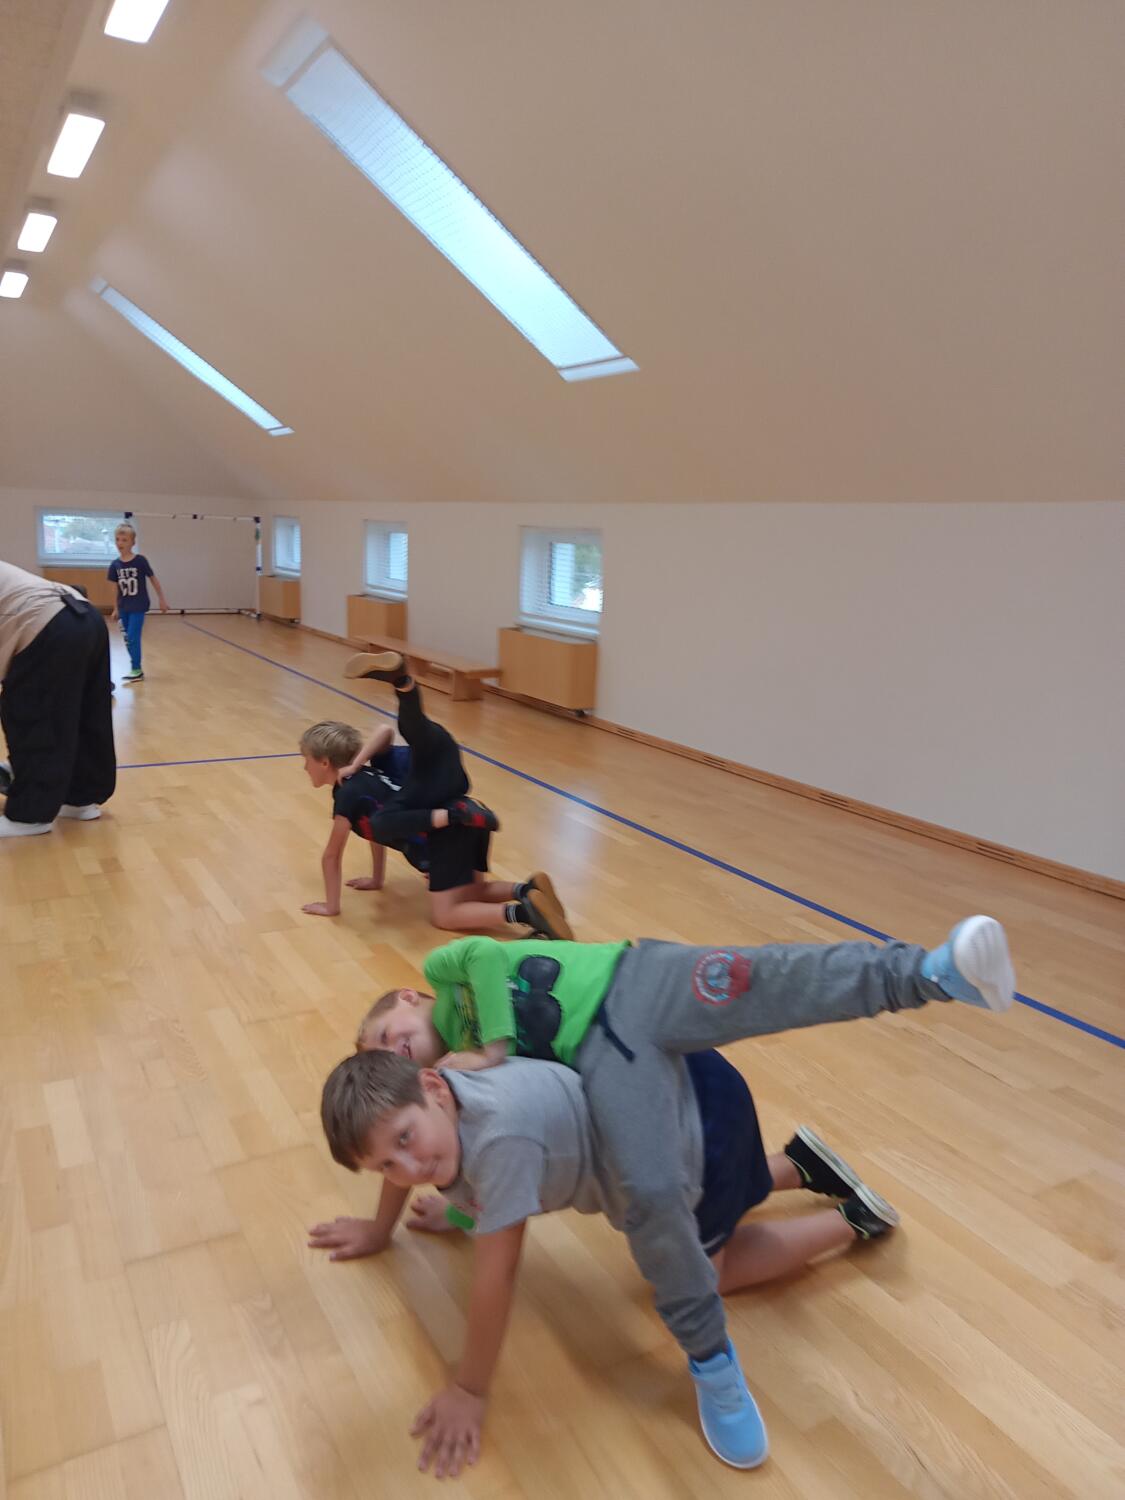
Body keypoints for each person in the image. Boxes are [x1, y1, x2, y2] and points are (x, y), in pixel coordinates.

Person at [353, 915, 1015, 1466]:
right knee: (651, 1197)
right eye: (383, 1056)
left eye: (386, 1037)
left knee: (768, 978)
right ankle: (713, 1365)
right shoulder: (455, 1081)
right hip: (614, 1059)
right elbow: (478, 1158)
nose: (395, 1052)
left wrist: (494, 1046)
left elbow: (483, 953)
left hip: (632, 976)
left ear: (407, 997)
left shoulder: (451, 988)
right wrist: (446, 1216)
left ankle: (932, 972)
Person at [314, 1049, 899, 1477]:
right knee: (715, 1193)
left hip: (690, 1131)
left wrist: (469, 1390)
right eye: (385, 1165)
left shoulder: (499, 1142)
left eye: (406, 1140)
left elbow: (497, 1273)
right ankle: (803, 1164)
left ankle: (854, 1218)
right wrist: (382, 1229)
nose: (408, 1169)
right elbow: (432, 1161)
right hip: (692, 1089)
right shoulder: (444, 1090)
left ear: (433, 1088)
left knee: (710, 1272)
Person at [300, 656, 572, 937]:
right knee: (471, 892)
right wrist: (377, 879)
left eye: (306, 760)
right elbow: (373, 829)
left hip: (444, 831)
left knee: (446, 916)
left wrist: (331, 906)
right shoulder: (368, 774)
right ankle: (528, 890)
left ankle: (526, 912)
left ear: (324, 762)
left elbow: (331, 857)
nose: (304, 767)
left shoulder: (345, 794)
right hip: (467, 814)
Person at [0, 558, 116, 836]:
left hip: (44, 625)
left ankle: (29, 816)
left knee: (34, 718)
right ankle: (79, 799)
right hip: (85, 617)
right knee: (86, 716)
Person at [107, 522, 168, 684]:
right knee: (128, 638)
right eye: (117, 539)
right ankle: (136, 668)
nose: (120, 543)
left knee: (133, 637)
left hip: (138, 605)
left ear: (132, 542)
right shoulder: (115, 565)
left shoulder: (140, 561)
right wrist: (115, 608)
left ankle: (136, 669)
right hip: (124, 607)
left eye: (124, 540)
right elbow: (115, 588)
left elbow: (153, 580)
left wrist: (162, 599)